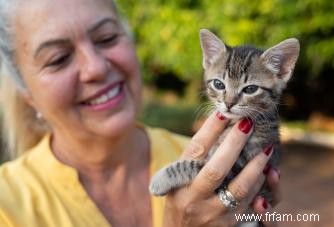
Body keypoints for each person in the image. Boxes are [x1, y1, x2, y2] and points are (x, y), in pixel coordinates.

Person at [0, 0, 281, 226]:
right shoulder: (7, 204)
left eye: (107, 38)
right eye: (58, 59)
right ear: (27, 96)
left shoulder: (201, 154)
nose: (95, 68)